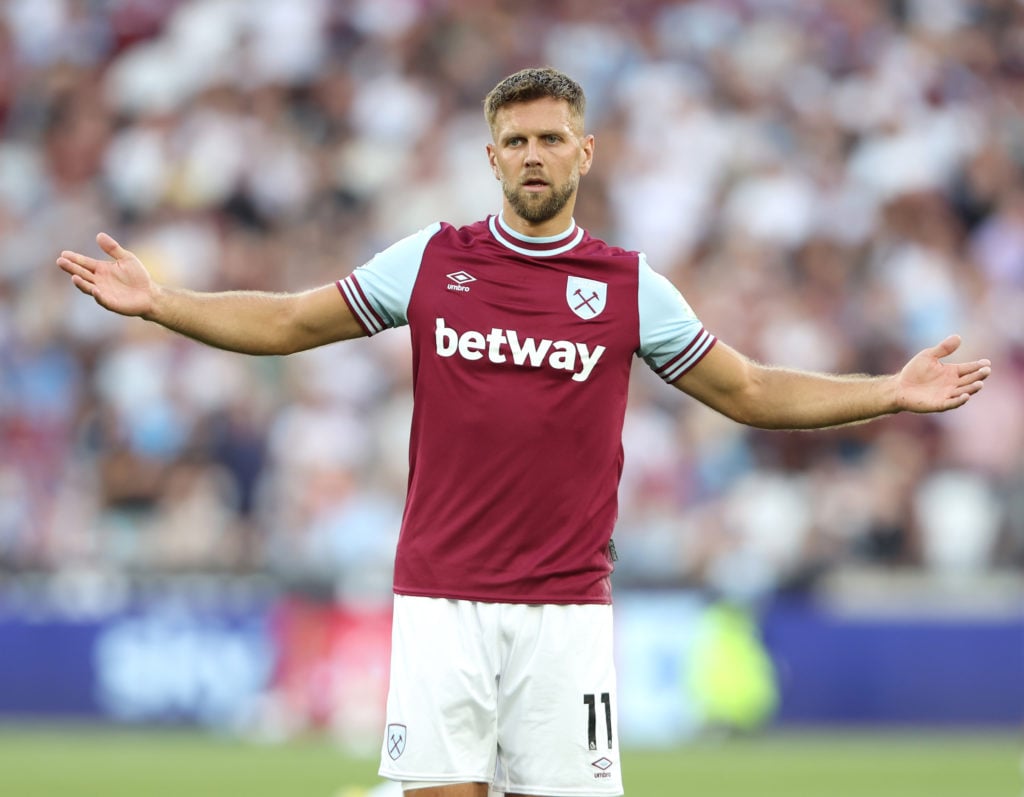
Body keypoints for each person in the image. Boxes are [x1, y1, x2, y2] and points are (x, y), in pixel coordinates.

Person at [57, 67, 991, 797]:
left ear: (586, 152)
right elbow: (292, 323)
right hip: (441, 601)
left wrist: (890, 392)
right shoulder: (430, 258)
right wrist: (161, 303)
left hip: (565, 613)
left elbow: (746, 388)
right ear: (491, 157)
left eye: (551, 138)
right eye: (515, 141)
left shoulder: (629, 286)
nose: (533, 154)